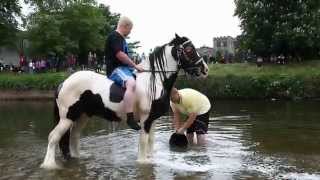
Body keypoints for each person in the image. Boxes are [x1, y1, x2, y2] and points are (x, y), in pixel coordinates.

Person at [105, 16, 144, 130]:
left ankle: (139, 110)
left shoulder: (121, 38)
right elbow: (120, 55)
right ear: (125, 26)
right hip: (115, 69)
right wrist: (135, 65)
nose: (130, 32)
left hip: (124, 68)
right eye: (130, 29)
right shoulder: (115, 36)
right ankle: (130, 118)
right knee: (131, 83)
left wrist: (138, 67)